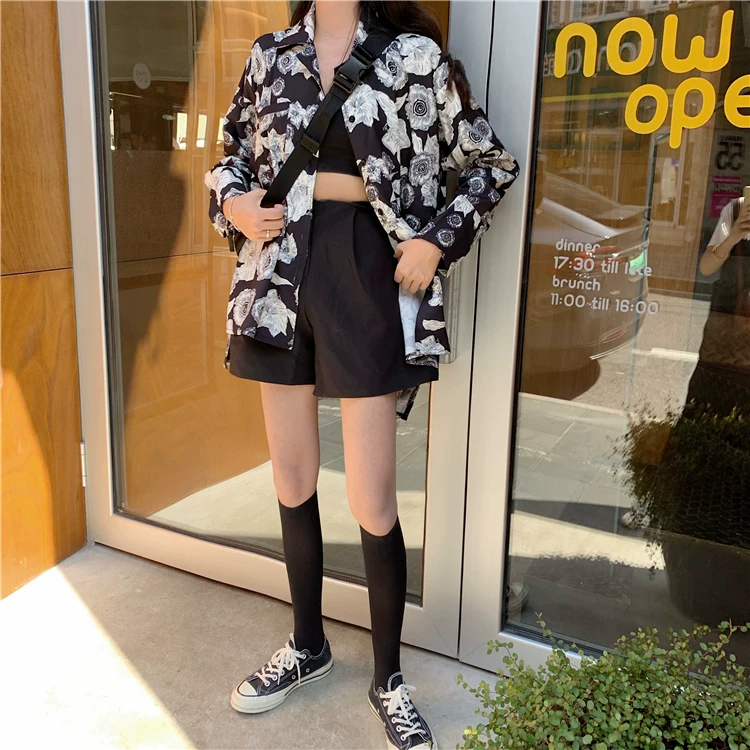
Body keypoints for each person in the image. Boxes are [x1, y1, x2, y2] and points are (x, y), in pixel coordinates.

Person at [204, 2, 518, 747]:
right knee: (292, 476)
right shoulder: (270, 55)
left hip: (367, 269)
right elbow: (229, 155)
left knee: (372, 495)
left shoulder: (412, 57)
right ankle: (307, 644)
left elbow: (491, 165)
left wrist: (436, 241)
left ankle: (389, 680)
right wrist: (235, 203)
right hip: (277, 273)